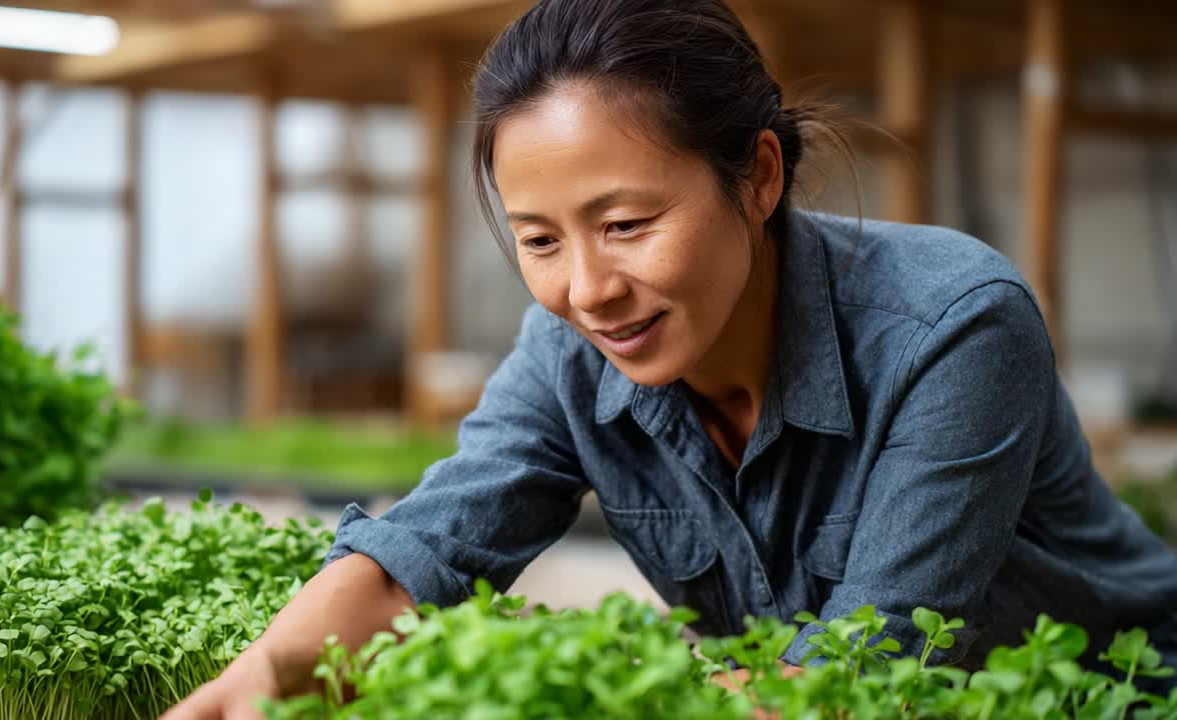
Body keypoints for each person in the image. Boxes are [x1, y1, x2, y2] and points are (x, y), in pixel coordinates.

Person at [164, 0, 1177, 716]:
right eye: (540, 240)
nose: (587, 290)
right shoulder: (563, 354)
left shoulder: (952, 327)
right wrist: (268, 673)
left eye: (625, 222)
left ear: (759, 175)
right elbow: (422, 553)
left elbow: (860, 676)